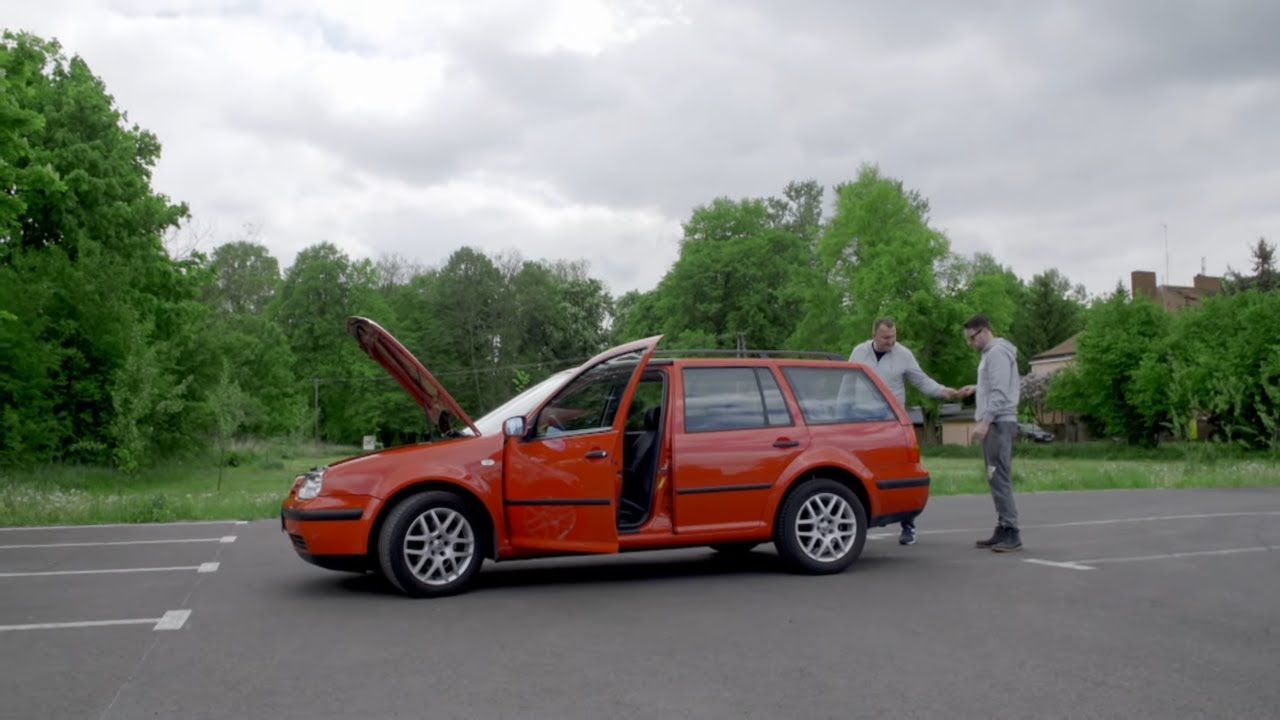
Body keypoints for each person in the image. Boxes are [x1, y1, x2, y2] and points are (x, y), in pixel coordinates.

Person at [849, 317, 962, 546]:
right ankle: (855, 522)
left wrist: (943, 391)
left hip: (891, 422)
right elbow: (847, 382)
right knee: (859, 473)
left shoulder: (904, 355)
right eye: (886, 337)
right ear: (874, 335)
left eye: (893, 336)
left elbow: (921, 381)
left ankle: (908, 525)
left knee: (902, 472)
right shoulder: (859, 352)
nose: (891, 341)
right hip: (860, 422)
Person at [958, 314, 1022, 552]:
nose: (971, 344)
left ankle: (1012, 530)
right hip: (996, 422)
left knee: (999, 476)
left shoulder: (997, 353)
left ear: (984, 331)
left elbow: (1000, 392)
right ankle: (1003, 526)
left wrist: (985, 422)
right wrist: (976, 388)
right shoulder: (990, 354)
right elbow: (994, 385)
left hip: (998, 423)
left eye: (972, 338)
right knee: (994, 477)